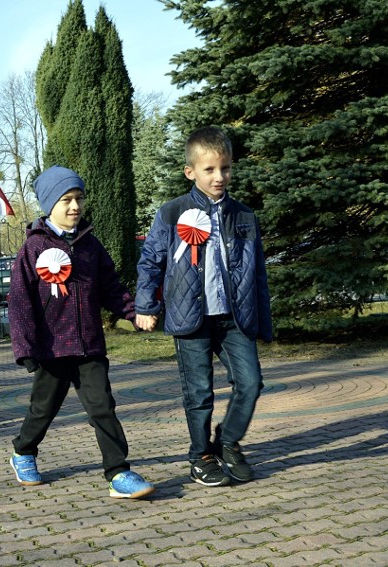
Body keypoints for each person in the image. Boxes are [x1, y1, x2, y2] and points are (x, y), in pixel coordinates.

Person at [135, 126, 273, 487]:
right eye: (210, 170)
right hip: (190, 318)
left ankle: (227, 441)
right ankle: (200, 456)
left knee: (251, 383)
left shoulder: (243, 216)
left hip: (234, 318)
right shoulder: (171, 213)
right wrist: (146, 306)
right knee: (198, 393)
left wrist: (264, 321)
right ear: (191, 171)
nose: (219, 177)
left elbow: (257, 272)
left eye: (225, 168)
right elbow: (151, 261)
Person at [8, 165, 155, 500]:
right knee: (42, 409)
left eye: (79, 199)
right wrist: (25, 348)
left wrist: (134, 314)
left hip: (89, 345)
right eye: (66, 200)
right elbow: (19, 301)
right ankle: (24, 451)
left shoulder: (91, 245)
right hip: (51, 349)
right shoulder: (32, 249)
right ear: (49, 205)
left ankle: (119, 472)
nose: (75, 206)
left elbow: (111, 288)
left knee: (102, 406)